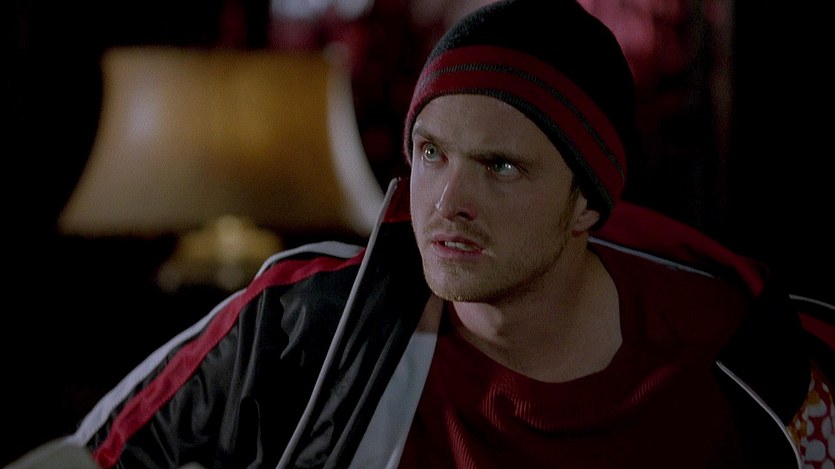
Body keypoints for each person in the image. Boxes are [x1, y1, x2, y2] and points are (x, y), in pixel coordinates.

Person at [8, 1, 834, 468]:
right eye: (431, 154)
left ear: (586, 203)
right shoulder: (300, 321)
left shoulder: (749, 358)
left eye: (500, 167)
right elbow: (87, 458)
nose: (447, 202)